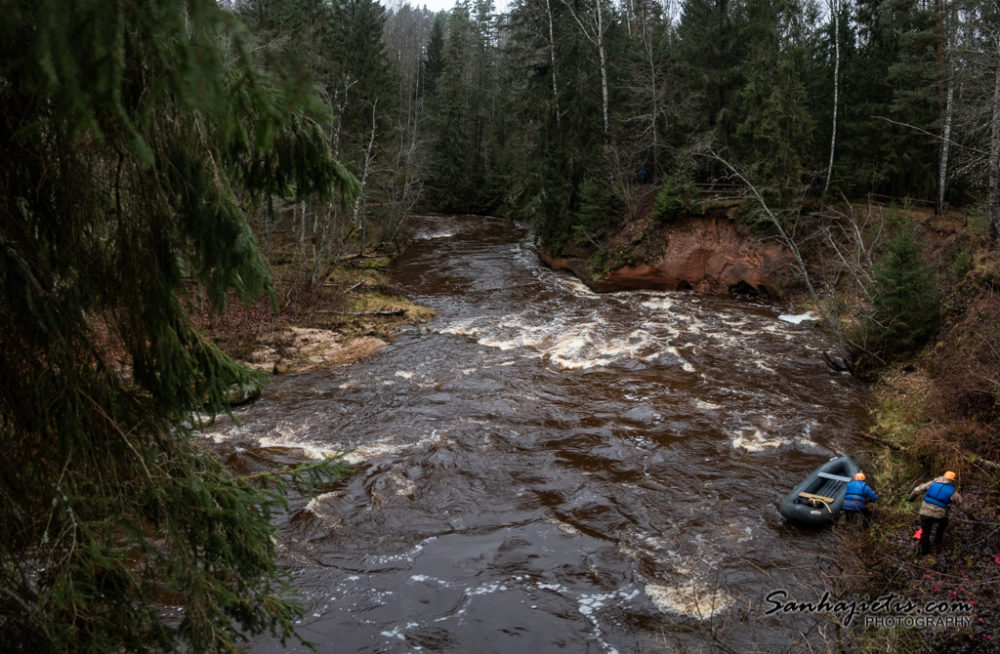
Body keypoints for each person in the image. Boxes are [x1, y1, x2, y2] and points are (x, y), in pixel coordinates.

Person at [909, 470, 962, 556]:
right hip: (939, 516)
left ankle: (925, 552)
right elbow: (961, 503)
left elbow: (916, 490)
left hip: (925, 512)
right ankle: (938, 541)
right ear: (952, 480)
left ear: (943, 476)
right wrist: (971, 516)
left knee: (926, 531)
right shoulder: (952, 491)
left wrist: (911, 499)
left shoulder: (932, 483)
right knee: (943, 523)